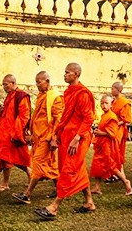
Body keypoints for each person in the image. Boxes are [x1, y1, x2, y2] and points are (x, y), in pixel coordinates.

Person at [34, 63, 96, 220]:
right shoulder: (69, 92)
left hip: (78, 137)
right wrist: (57, 133)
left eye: (67, 72)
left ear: (76, 74)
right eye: (65, 72)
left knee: (70, 169)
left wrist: (77, 138)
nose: (64, 75)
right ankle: (89, 202)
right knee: (76, 167)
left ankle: (54, 206)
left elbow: (89, 118)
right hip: (68, 135)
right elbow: (66, 116)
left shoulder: (83, 93)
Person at [12, 71, 63, 204]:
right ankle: (60, 188)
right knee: (50, 165)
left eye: (39, 82)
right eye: (36, 82)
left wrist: (54, 138)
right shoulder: (41, 96)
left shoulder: (55, 97)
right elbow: (37, 116)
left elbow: (58, 119)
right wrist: (31, 131)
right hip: (38, 136)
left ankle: (27, 194)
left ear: (47, 81)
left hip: (47, 137)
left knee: (38, 164)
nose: (37, 85)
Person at [90, 95, 132, 196]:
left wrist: (100, 133)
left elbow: (113, 133)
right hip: (101, 144)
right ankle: (97, 187)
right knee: (97, 164)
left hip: (107, 145)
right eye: (102, 103)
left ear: (111, 105)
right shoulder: (104, 116)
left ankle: (126, 183)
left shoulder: (111, 117)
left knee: (111, 166)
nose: (103, 105)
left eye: (106, 103)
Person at [0, 74, 31, 192]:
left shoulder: (21, 96)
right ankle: (6, 182)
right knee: (6, 158)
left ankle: (30, 176)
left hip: (14, 133)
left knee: (17, 158)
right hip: (5, 133)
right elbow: (8, 115)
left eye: (6, 84)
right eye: (3, 84)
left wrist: (16, 133)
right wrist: (1, 111)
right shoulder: (10, 96)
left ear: (13, 83)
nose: (4, 87)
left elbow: (24, 116)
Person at [110, 81, 132, 175]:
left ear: (118, 90)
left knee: (117, 149)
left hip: (119, 129)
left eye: (112, 89)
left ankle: (119, 172)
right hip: (111, 128)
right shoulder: (113, 101)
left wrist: (116, 123)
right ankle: (113, 172)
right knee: (110, 149)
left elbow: (126, 119)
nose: (111, 91)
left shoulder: (124, 103)